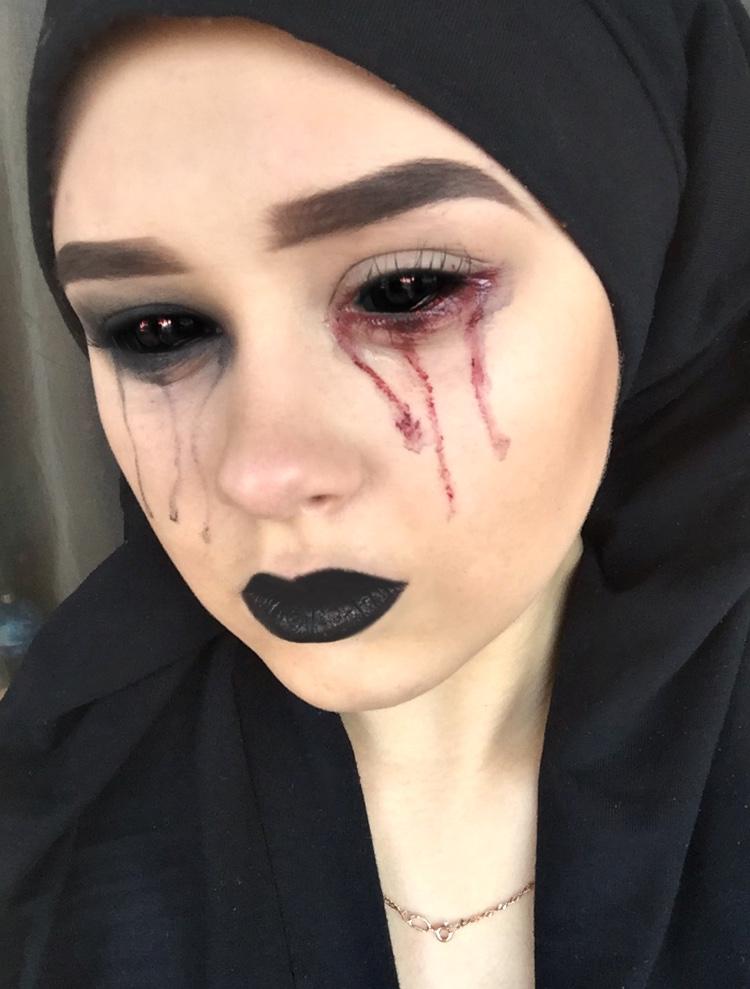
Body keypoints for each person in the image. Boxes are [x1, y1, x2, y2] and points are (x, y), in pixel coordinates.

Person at [2, 2, 749, 987]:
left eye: (404, 290)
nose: (262, 476)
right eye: (157, 330)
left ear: (655, 266)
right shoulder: (48, 828)